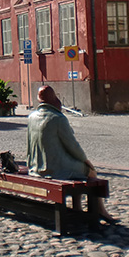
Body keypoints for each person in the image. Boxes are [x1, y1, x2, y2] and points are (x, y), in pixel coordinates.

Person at [26, 85, 117, 224]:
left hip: (35, 168)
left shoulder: (31, 117)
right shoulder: (58, 118)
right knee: (90, 172)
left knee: (79, 171)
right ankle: (99, 210)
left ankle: (78, 208)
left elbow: (29, 144)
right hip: (55, 169)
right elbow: (73, 146)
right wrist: (86, 161)